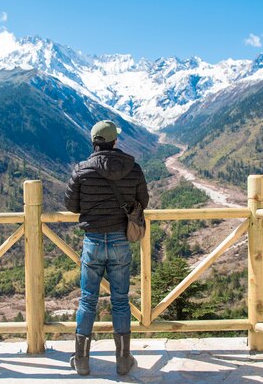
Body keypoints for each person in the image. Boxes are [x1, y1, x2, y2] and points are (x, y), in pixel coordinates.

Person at [64, 120, 149, 376]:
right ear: (115, 141)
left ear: (94, 142)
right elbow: (142, 201)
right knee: (121, 301)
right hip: (120, 240)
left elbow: (71, 205)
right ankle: (123, 361)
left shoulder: (81, 170)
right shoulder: (133, 169)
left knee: (88, 300)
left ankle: (81, 360)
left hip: (92, 240)